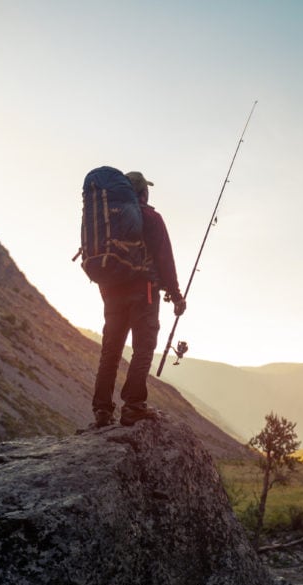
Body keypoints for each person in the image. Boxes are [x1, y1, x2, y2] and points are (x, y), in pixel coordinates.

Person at [91, 171, 185, 427]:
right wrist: (176, 295)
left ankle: (102, 410)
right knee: (143, 347)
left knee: (110, 351)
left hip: (111, 292)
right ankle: (133, 406)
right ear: (143, 192)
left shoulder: (109, 218)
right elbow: (165, 259)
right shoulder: (151, 218)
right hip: (143, 291)